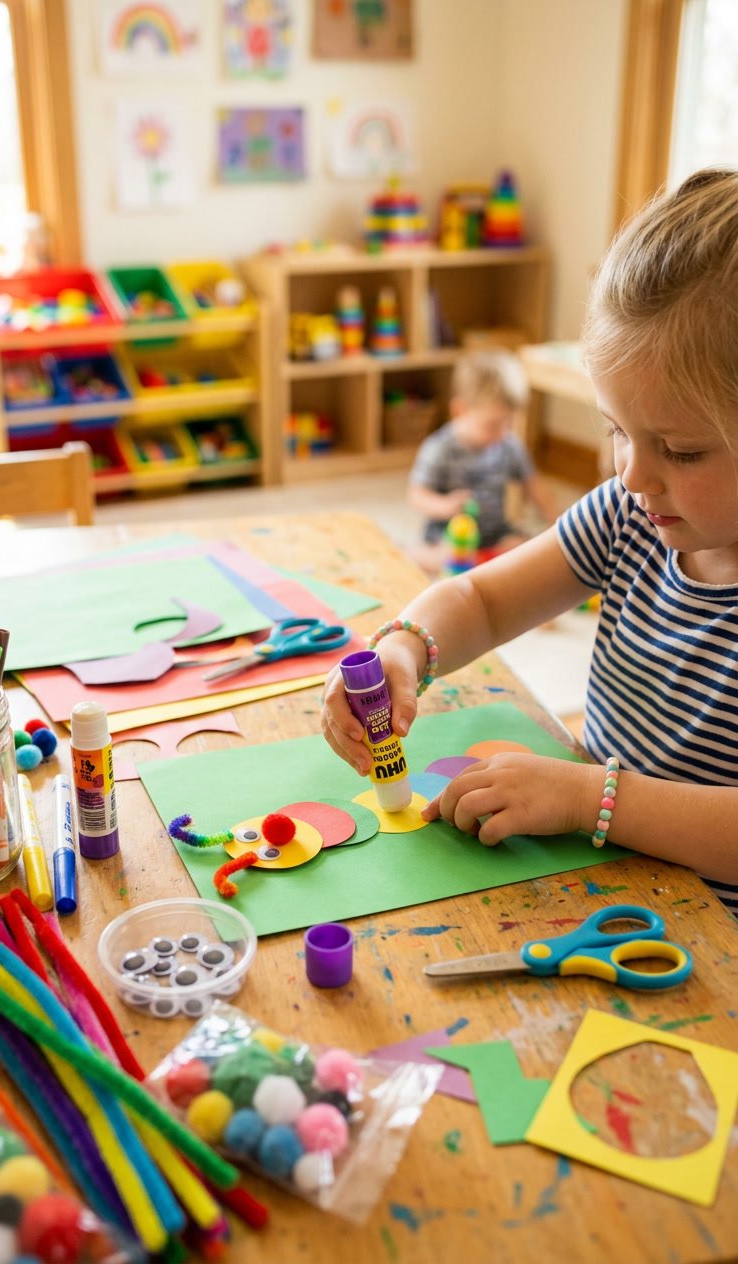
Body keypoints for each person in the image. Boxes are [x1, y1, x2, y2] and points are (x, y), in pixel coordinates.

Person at [322, 168, 738, 915]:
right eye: (617, 431)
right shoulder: (628, 514)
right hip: (601, 876)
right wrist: (406, 647)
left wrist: (590, 799)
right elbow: (480, 596)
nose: (633, 474)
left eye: (680, 450)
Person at [406, 349, 556, 574]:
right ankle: (414, 554)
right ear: (460, 410)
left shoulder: (509, 445)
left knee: (524, 549)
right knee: (443, 557)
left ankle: (483, 563)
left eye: (509, 423)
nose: (503, 432)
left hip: (495, 533)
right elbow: (417, 495)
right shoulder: (440, 448)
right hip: (449, 534)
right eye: (493, 425)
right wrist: (446, 505)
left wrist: (558, 522)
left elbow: (533, 484)